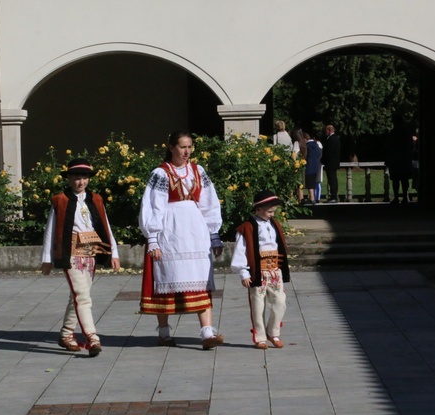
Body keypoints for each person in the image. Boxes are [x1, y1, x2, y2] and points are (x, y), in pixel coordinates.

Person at [139, 130, 224, 349]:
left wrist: (213, 233)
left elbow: (209, 201)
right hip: (171, 231)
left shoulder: (198, 170)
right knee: (167, 276)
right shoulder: (160, 173)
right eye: (182, 147)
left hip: (195, 232)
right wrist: (153, 239)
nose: (187, 152)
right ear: (171, 147)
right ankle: (164, 332)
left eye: (189, 147)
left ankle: (207, 333)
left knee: (200, 278)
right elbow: (152, 206)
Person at [41, 158, 120, 357]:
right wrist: (47, 258)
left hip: (90, 253)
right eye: (76, 177)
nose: (80, 182)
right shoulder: (60, 200)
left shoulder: (96, 199)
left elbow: (106, 225)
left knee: (78, 296)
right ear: (69, 178)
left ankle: (67, 335)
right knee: (82, 296)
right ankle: (92, 338)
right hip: (71, 253)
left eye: (84, 177)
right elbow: (51, 230)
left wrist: (114, 253)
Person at [230, 190, 290, 349]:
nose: (272, 214)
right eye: (269, 211)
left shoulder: (275, 225)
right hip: (258, 271)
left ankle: (273, 332)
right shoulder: (247, 228)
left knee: (280, 301)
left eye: (273, 212)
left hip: (274, 269)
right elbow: (241, 251)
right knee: (258, 304)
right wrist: (243, 272)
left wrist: (281, 268)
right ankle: (260, 336)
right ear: (258, 209)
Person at [385, 114, 414, 205]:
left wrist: (388, 158)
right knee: (404, 179)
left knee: (396, 179)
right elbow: (410, 146)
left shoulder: (393, 133)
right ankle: (405, 196)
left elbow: (388, 147)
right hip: (404, 159)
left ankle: (397, 197)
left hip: (396, 160)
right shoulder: (406, 133)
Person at [321, 124, 340, 203]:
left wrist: (322, 160)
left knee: (332, 180)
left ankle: (333, 196)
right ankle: (333, 195)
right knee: (333, 179)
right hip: (334, 162)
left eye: (326, 131)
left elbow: (328, 152)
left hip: (330, 163)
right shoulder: (336, 138)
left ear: (329, 130)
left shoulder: (331, 139)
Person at [304, 132, 322, 204]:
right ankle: (314, 197)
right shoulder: (316, 145)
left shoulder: (307, 146)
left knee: (309, 183)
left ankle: (311, 198)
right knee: (314, 182)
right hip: (316, 166)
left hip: (309, 165)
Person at [291, 127, 307, 203]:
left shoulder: (296, 143)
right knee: (300, 182)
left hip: (296, 164)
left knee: (294, 181)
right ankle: (301, 197)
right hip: (302, 163)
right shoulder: (304, 142)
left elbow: (294, 154)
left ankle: (292, 197)